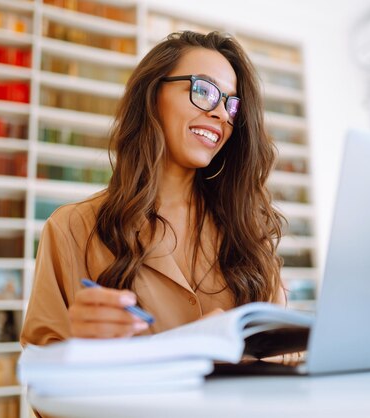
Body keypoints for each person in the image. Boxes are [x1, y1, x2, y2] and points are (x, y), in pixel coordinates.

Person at [21, 30, 285, 347]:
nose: (219, 113)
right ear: (152, 94)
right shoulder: (71, 230)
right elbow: (43, 386)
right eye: (204, 91)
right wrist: (81, 348)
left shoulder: (248, 231)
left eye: (231, 104)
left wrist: (234, 347)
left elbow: (286, 352)